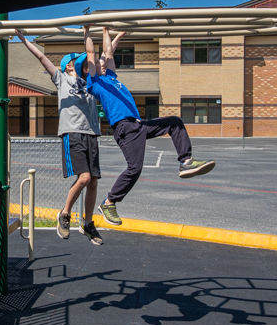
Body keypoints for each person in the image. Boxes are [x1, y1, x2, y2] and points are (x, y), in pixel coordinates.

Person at [84, 25, 215, 226]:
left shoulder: (111, 77)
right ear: (90, 69)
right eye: (98, 63)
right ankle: (109, 202)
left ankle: (186, 161)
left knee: (175, 122)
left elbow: (109, 52)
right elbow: (92, 53)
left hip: (139, 124)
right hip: (125, 128)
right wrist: (89, 30)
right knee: (134, 169)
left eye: (104, 63)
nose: (103, 63)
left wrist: (112, 32)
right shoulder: (94, 82)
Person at [16, 29, 104, 245]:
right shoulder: (61, 79)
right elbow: (41, 57)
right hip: (72, 133)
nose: (82, 64)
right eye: (76, 62)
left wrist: (102, 33)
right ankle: (65, 214)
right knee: (84, 178)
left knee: (93, 182)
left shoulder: (89, 82)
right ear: (68, 66)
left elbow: (96, 56)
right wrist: (23, 38)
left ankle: (88, 223)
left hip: (91, 134)